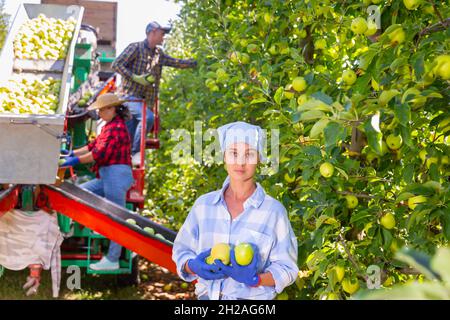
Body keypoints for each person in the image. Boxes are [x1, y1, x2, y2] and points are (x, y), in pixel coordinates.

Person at [172, 121, 299, 300]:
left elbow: (287, 268)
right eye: (233, 153)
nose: (240, 162)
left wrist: (256, 280)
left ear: (260, 159)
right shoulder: (203, 206)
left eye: (249, 154)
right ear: (224, 156)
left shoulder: (273, 212)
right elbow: (181, 251)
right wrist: (194, 266)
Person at [61, 93, 134, 271]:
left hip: (116, 175)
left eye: (101, 109)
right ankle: (78, 225)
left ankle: (112, 259)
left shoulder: (116, 127)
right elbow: (92, 146)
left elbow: (98, 154)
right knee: (77, 194)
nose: (99, 113)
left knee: (117, 218)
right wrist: (70, 154)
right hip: (107, 175)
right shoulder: (109, 126)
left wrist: (75, 161)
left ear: (112, 109)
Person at [112, 21, 197, 166]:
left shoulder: (158, 54)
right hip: (129, 98)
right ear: (152, 33)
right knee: (147, 118)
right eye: (162, 34)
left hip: (145, 102)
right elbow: (116, 64)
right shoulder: (136, 48)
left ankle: (125, 162)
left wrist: (196, 62)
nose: (163, 37)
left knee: (130, 132)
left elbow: (176, 62)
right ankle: (136, 154)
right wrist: (134, 77)